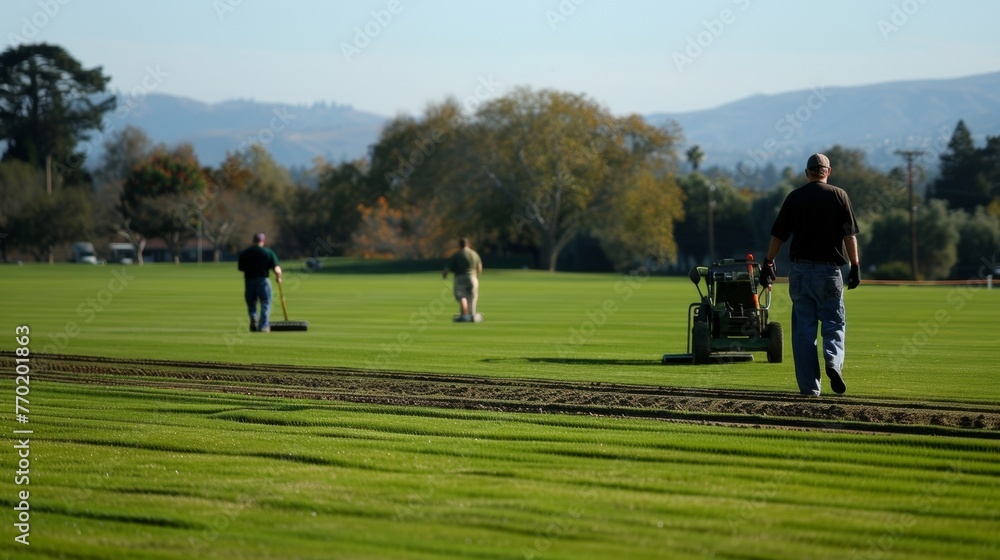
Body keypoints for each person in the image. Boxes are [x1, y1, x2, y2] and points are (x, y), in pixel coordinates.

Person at [762, 153, 861, 396]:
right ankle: (833, 362)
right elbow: (850, 235)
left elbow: (779, 236)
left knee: (803, 331)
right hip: (829, 272)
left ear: (807, 172)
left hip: (800, 272)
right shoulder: (839, 196)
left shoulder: (795, 197)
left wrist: (768, 262)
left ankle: (809, 388)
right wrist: (855, 266)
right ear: (828, 171)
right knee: (834, 322)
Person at [238, 232, 282, 332]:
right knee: (266, 303)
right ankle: (263, 325)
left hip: (249, 280)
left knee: (251, 303)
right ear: (263, 241)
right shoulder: (268, 252)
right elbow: (276, 268)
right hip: (263, 280)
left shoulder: (246, 253)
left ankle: (253, 316)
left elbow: (241, 268)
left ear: (253, 240)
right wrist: (278, 276)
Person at [442, 237, 483, 322]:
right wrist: (477, 276)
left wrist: (444, 275)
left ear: (459, 245)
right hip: (472, 278)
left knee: (461, 296)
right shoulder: (474, 254)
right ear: (468, 244)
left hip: (460, 277)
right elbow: (479, 267)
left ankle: (464, 315)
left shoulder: (457, 254)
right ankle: (472, 315)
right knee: (472, 297)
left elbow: (448, 268)